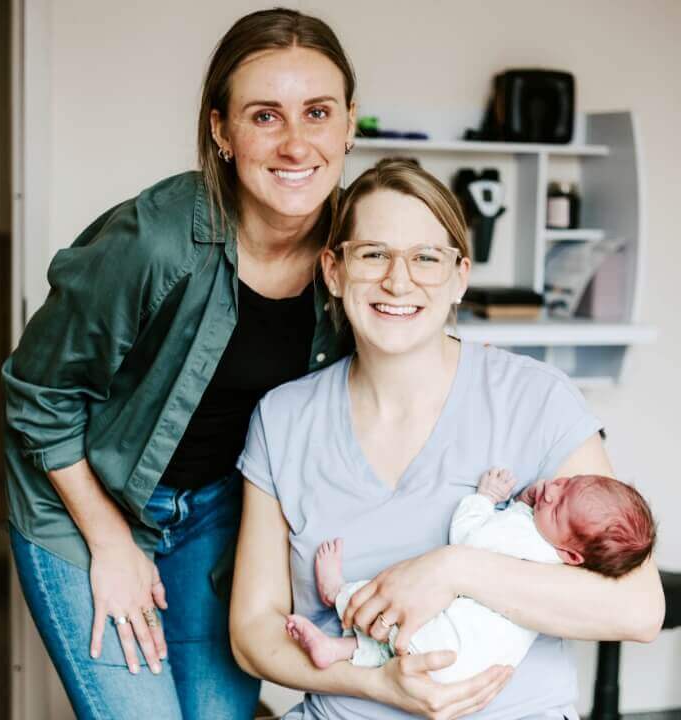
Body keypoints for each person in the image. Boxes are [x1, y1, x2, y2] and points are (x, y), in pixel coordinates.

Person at [3, 8, 363, 720]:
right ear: (221, 131)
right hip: (82, 503)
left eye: (317, 112)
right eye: (265, 116)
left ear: (350, 124)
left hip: (219, 518)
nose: (296, 144)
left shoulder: (356, 250)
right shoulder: (157, 238)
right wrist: (110, 542)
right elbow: (37, 392)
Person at [231, 158, 664, 719]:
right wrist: (377, 684)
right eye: (373, 253)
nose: (398, 280)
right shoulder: (283, 419)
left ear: (459, 277)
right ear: (334, 271)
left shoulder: (536, 400)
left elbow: (637, 608)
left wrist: (453, 569)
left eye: (425, 258)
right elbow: (251, 631)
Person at [285, 468, 656, 682]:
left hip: (456, 640)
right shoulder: (558, 558)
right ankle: (333, 649)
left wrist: (485, 498)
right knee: (394, 643)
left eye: (558, 507)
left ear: (571, 554)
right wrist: (530, 507)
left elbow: (470, 538)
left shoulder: (528, 538)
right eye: (566, 483)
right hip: (465, 665)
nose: (551, 491)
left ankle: (341, 593)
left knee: (399, 605)